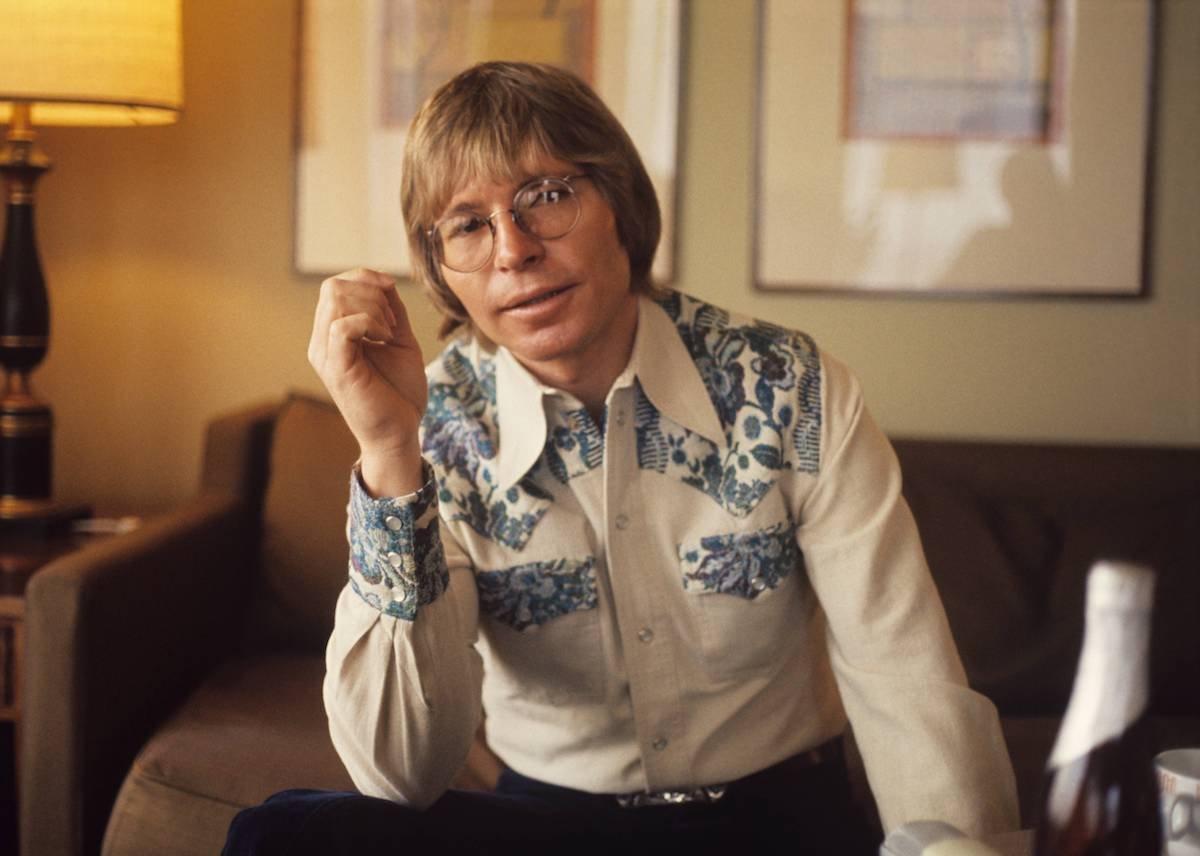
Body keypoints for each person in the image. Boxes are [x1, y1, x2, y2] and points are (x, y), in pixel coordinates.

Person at [224, 61, 1018, 855]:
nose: (514, 251)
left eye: (547, 197)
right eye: (468, 224)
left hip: (774, 819)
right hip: (552, 824)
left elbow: (904, 679)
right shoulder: (438, 424)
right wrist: (391, 452)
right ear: (441, 268)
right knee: (287, 837)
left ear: (621, 205)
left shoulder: (789, 387)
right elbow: (402, 777)